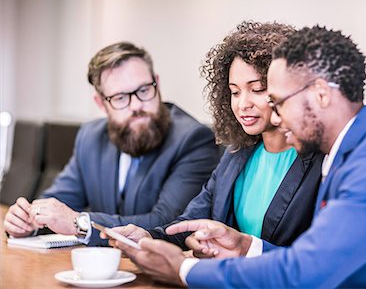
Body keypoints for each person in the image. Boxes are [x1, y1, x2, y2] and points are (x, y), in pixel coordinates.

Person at [109, 26, 366, 288]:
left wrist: (184, 269)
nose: (276, 116)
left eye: (277, 100)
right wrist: (245, 246)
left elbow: (306, 274)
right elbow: (314, 262)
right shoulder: (357, 147)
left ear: (319, 95)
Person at [106, 21, 323, 253]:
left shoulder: (321, 161)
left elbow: (315, 258)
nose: (243, 104)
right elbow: (192, 221)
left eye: (257, 89)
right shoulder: (237, 154)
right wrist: (149, 237)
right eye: (235, 92)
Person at [3, 42, 220, 245]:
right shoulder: (91, 136)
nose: (136, 105)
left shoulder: (193, 139)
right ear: (101, 103)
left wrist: (80, 223)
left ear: (157, 83)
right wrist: (29, 220)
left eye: (144, 90)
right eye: (120, 98)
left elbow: (169, 222)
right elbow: (59, 202)